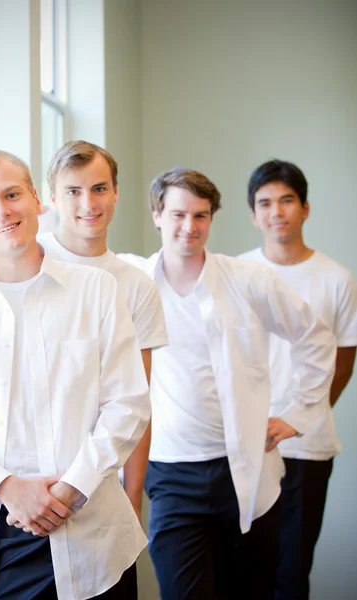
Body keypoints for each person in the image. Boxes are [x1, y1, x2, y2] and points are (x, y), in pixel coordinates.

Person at [0, 149, 150, 600]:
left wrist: (70, 489)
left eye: (11, 194)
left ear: (36, 199)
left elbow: (128, 404)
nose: (1, 211)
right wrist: (5, 487)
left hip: (95, 539)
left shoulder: (96, 290)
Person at [119, 167, 336, 600]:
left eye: (201, 216)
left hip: (246, 473)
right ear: (157, 214)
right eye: (179, 214)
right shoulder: (133, 283)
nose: (189, 227)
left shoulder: (247, 279)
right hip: (171, 474)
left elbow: (316, 337)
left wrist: (298, 414)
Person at [240, 159, 357, 600]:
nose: (276, 212)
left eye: (286, 200)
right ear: (253, 214)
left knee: (291, 572)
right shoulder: (237, 272)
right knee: (245, 570)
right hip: (245, 448)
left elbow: (342, 362)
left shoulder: (336, 279)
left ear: (305, 208)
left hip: (307, 449)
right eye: (265, 203)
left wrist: (302, 416)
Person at [36, 140, 168, 523]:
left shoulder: (137, 285)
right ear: (52, 198)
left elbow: (138, 403)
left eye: (98, 189)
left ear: (115, 193)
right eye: (73, 191)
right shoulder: (28, 263)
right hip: (32, 485)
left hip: (102, 486)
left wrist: (133, 495)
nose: (88, 204)